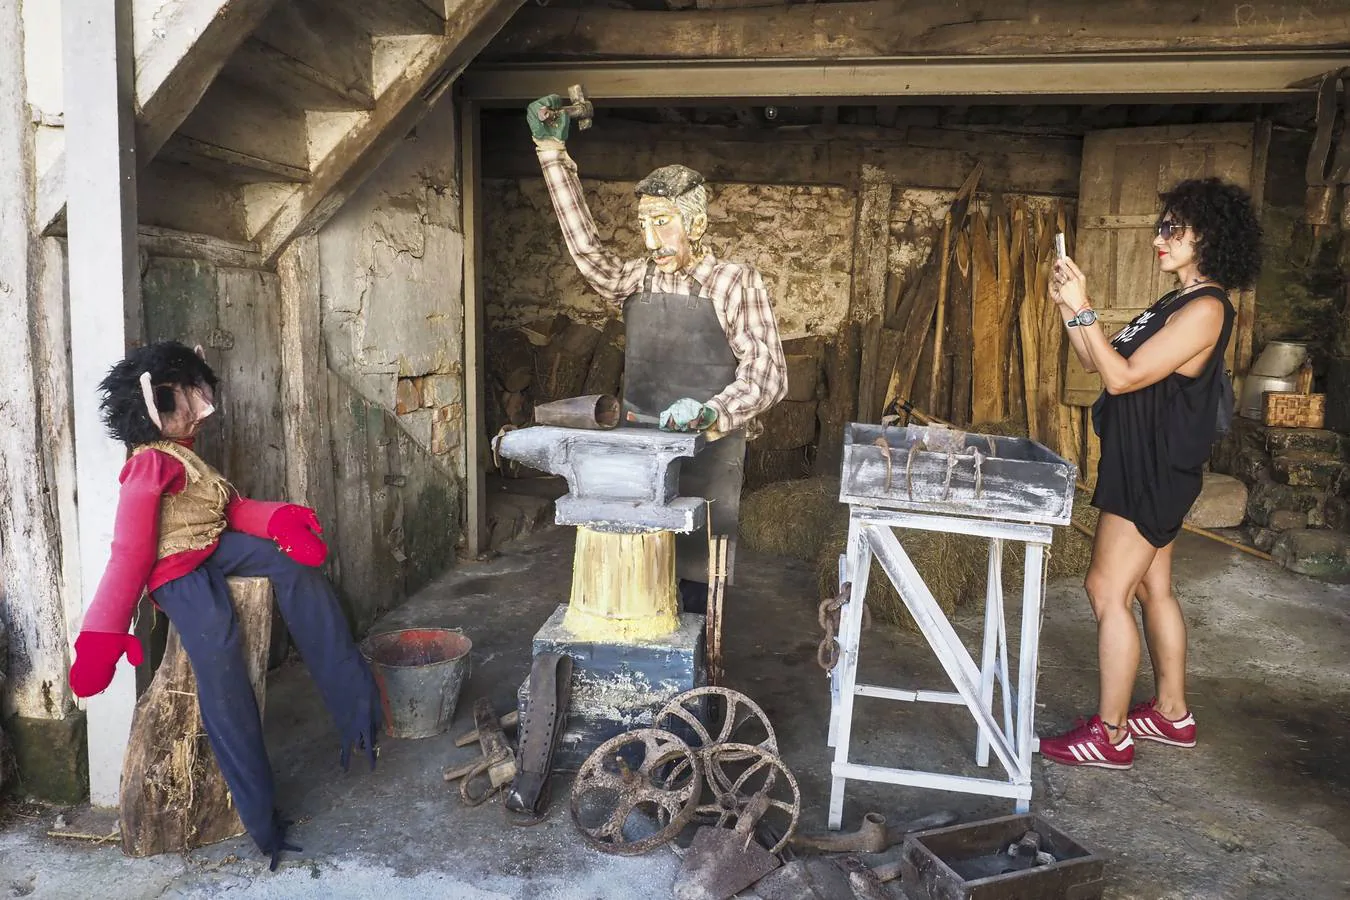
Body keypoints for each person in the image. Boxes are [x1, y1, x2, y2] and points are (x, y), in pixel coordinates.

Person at [68, 341, 383, 868]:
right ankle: (262, 820)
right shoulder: (147, 466)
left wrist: (282, 520)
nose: (199, 404)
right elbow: (130, 553)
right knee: (220, 656)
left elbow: (230, 511)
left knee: (294, 568)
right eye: (186, 395)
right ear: (160, 403)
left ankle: (356, 707)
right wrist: (101, 637)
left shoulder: (187, 458)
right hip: (177, 570)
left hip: (213, 545)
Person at [526, 95, 788, 612]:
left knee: (694, 596)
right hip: (638, 457)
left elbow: (769, 374)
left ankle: (699, 692)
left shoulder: (732, 281)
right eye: (643, 224)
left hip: (706, 461)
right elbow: (588, 254)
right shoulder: (636, 278)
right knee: (629, 587)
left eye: (662, 222)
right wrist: (552, 152)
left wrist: (712, 410)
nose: (649, 239)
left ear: (695, 222)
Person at [1038, 177, 1262, 769]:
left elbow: (1122, 380)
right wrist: (1070, 311)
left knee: (1105, 588)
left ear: (1208, 237)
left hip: (1153, 469)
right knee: (1150, 586)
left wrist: (1085, 305)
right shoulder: (1175, 302)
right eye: (1161, 227)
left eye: (1173, 229)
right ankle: (1171, 714)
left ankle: (1109, 737)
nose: (1159, 238)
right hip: (1147, 461)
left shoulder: (1207, 308)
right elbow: (1105, 360)